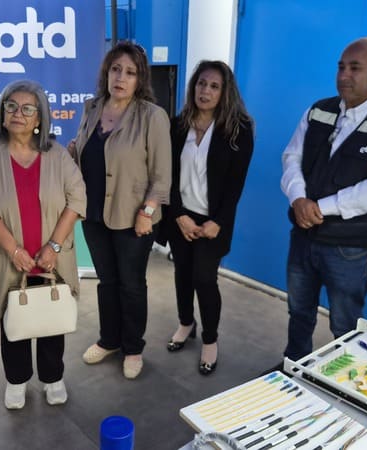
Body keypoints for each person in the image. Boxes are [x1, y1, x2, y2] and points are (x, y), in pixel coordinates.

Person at [279, 36, 367, 363]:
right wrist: (298, 198)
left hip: (349, 249)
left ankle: (341, 381)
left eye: (355, 68)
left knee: (345, 325)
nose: (344, 75)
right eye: (341, 67)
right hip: (303, 237)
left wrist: (320, 208)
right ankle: (293, 367)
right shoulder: (319, 111)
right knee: (298, 311)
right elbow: (291, 157)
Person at [0, 80, 85, 410]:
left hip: (51, 259)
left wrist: (54, 246)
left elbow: (77, 199)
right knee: (13, 323)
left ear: (39, 118)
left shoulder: (58, 155)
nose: (18, 113)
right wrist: (13, 250)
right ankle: (16, 381)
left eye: (27, 109)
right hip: (9, 260)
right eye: (11, 106)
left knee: (51, 320)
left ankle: (53, 378)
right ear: (2, 113)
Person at [69, 41, 171, 379]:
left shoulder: (152, 116)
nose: (121, 78)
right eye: (116, 69)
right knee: (107, 282)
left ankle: (133, 347)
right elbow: (86, 154)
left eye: (130, 72)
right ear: (107, 73)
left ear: (140, 79)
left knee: (131, 284)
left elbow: (162, 175)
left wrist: (148, 211)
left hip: (134, 217)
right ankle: (109, 340)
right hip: (94, 213)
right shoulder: (92, 108)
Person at [160, 61, 254, 376]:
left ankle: (210, 339)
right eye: (201, 84)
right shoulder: (177, 125)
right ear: (193, 87)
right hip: (181, 216)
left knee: (203, 277)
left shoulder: (239, 129)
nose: (206, 91)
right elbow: (167, 176)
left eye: (214, 86)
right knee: (182, 274)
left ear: (225, 92)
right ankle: (186, 323)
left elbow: (235, 185)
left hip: (213, 221)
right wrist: (178, 215)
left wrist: (219, 221)